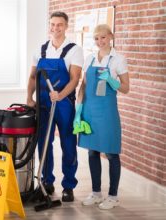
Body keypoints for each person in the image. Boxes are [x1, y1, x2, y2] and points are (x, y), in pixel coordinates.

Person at [26, 11, 83, 202]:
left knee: (68, 144)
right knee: (44, 143)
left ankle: (68, 186)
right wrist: (29, 97)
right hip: (43, 104)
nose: (55, 28)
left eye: (59, 25)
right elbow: (33, 76)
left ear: (66, 26)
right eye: (52, 24)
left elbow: (75, 79)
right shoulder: (40, 49)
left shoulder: (74, 49)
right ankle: (46, 181)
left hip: (64, 104)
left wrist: (60, 95)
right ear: (49, 26)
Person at [76, 24, 129, 210]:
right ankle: (96, 192)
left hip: (107, 111)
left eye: (103, 38)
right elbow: (83, 85)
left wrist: (111, 80)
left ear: (111, 37)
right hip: (89, 110)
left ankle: (113, 196)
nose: (100, 42)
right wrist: (78, 110)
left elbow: (125, 88)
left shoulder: (118, 60)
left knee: (112, 153)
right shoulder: (89, 58)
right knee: (92, 151)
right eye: (97, 38)